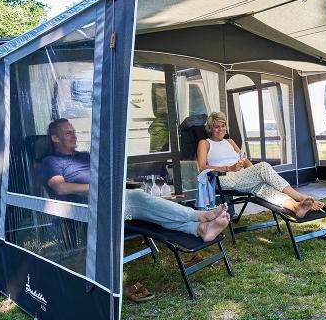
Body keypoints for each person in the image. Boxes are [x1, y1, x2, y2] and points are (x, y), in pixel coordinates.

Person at [42, 118, 230, 301]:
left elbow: (107, 176)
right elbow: (60, 187)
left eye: (74, 132)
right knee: (139, 198)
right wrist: (99, 189)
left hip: (114, 201)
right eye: (68, 133)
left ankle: (200, 229)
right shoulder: (51, 161)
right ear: (55, 138)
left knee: (153, 210)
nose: (74, 135)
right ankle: (200, 216)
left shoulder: (85, 156)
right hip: (88, 210)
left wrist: (118, 182)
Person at [197, 112, 324, 218]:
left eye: (223, 125)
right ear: (210, 128)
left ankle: (296, 207)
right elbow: (202, 167)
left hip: (241, 177)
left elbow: (244, 160)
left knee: (264, 187)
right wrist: (228, 168)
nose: (221, 129)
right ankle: (301, 197)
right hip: (222, 178)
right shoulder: (205, 143)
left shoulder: (229, 141)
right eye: (217, 126)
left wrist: (249, 169)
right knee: (263, 166)